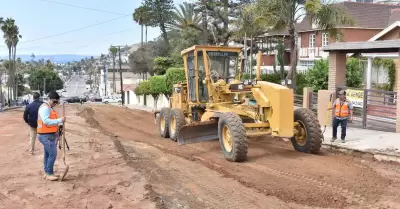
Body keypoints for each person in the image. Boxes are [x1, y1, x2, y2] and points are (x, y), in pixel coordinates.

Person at [37, 91, 66, 181]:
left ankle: (47, 172)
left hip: (49, 135)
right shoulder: (45, 108)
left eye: (57, 102)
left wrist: (59, 124)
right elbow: (46, 121)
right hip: (46, 136)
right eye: (54, 102)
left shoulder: (49, 108)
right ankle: (49, 173)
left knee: (47, 154)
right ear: (49, 99)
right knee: (52, 155)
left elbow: (52, 120)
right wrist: (59, 120)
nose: (55, 104)